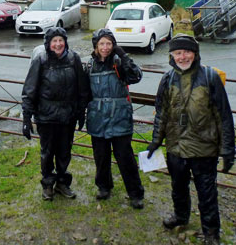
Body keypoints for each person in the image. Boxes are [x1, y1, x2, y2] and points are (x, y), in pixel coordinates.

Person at [147, 34, 236, 245]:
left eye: (187, 52)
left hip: (204, 149)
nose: (182, 57)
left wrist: (228, 149)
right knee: (178, 187)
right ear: (172, 56)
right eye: (178, 53)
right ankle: (180, 216)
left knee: (207, 193)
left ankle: (211, 232)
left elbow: (224, 115)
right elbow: (162, 113)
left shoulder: (210, 77)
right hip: (175, 147)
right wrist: (156, 141)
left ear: (195, 54)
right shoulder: (167, 79)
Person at [21, 27, 89, 201]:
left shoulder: (74, 59)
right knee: (47, 153)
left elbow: (82, 88)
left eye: (60, 40)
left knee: (64, 151)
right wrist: (26, 118)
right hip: (46, 116)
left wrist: (81, 112)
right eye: (54, 41)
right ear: (48, 43)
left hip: (68, 116)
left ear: (65, 41)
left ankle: (62, 183)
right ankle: (48, 185)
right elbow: (30, 89)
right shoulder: (40, 60)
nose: (58, 44)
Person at [84, 28, 145, 209]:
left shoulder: (119, 62)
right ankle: (104, 187)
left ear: (114, 45)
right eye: (101, 43)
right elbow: (83, 91)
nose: (105, 47)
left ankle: (135, 193)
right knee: (101, 156)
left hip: (120, 116)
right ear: (95, 45)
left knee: (125, 157)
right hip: (98, 117)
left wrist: (124, 57)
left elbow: (136, 76)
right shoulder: (89, 66)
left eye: (109, 43)